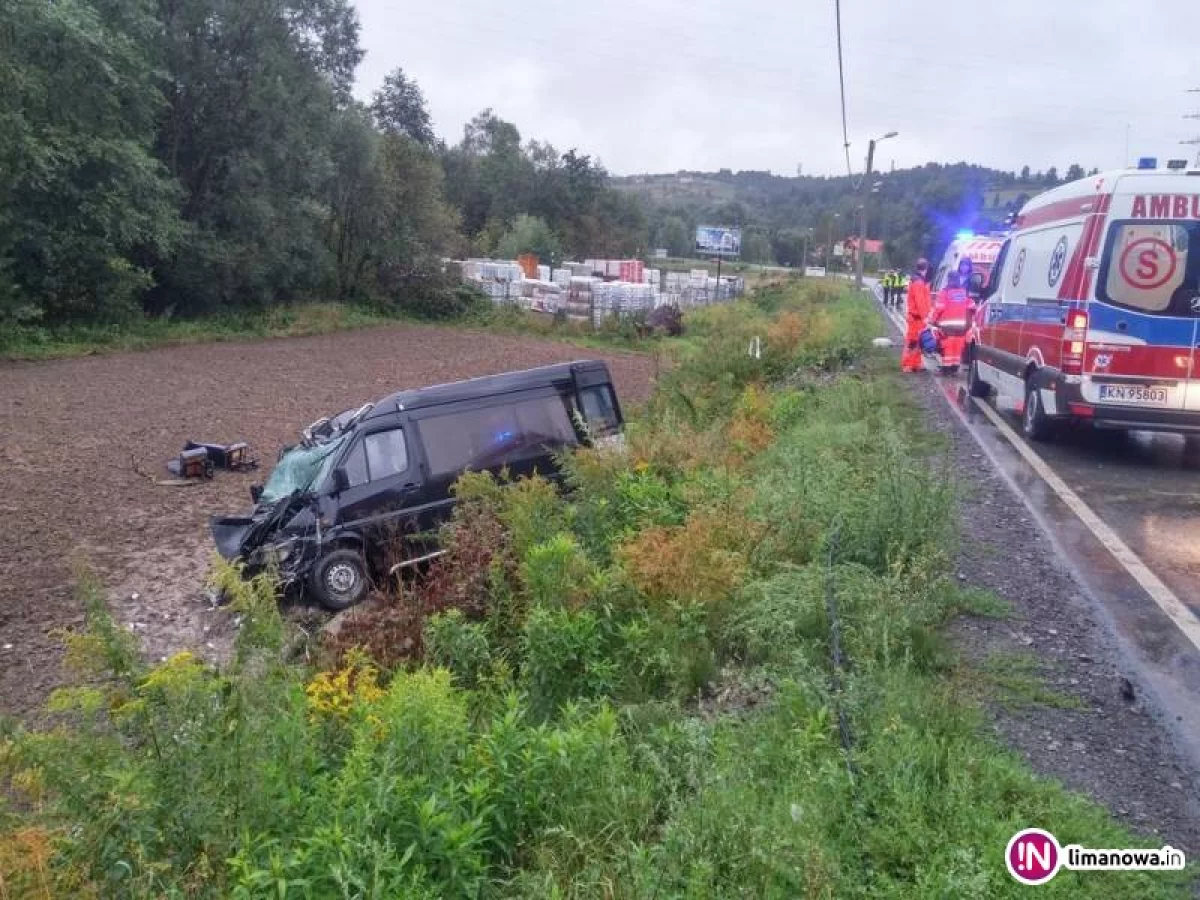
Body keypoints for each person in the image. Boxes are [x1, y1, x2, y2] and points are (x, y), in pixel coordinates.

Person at [929, 270, 972, 372]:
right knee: (958, 346)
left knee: (947, 346)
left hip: (947, 326)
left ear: (948, 279)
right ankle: (955, 366)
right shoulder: (964, 292)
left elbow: (939, 308)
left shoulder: (945, 292)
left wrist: (932, 320)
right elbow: (970, 306)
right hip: (961, 325)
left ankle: (947, 367)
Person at [901, 259, 932, 372]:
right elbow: (921, 302)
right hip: (917, 318)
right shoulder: (919, 282)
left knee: (918, 342)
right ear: (926, 268)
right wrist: (926, 317)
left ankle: (916, 363)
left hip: (916, 317)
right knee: (913, 342)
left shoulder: (917, 280)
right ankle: (908, 364)